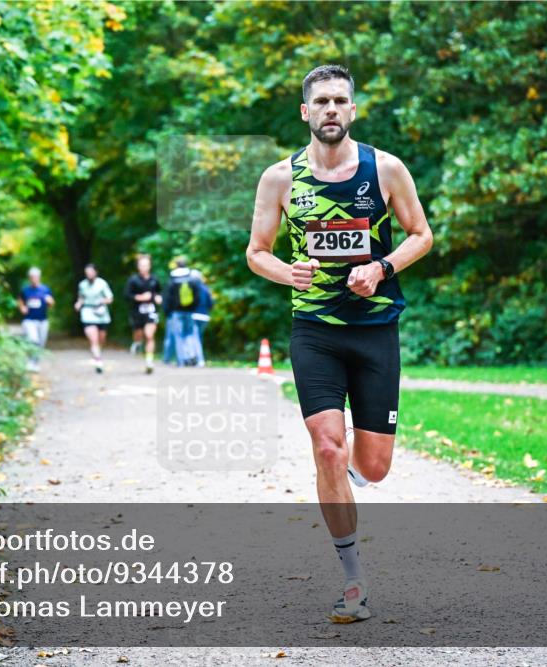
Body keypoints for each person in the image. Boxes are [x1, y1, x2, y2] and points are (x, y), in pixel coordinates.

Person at [245, 65, 433, 623]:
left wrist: (381, 266)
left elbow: (422, 235)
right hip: (315, 331)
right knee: (327, 445)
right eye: (320, 101)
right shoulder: (279, 178)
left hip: (375, 330)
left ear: (352, 111)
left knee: (373, 468)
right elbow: (257, 251)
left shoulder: (385, 169)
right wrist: (288, 273)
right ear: (305, 113)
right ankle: (353, 581)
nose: (330, 109)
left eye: (339, 101)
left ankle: (347, 476)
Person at [125, 254, 162, 374]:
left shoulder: (154, 279)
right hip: (137, 311)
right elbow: (127, 295)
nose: (144, 267)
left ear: (150, 266)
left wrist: (157, 298)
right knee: (139, 333)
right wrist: (139, 297)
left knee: (150, 335)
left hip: (151, 311)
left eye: (146, 265)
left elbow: (158, 292)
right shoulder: (133, 280)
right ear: (138, 266)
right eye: (142, 265)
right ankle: (137, 342)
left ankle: (149, 361)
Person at [74, 263, 114, 374]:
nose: (89, 274)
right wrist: (78, 304)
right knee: (94, 339)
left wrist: (102, 301)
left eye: (91, 272)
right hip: (87, 312)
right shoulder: (82, 285)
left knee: (101, 339)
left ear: (96, 272)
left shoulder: (102, 283)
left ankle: (97, 355)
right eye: (87, 273)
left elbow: (110, 298)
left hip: (101, 314)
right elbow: (81, 297)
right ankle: (98, 360)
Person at [162, 258, 202, 367]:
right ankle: (191, 355)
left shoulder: (172, 280)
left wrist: (167, 311)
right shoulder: (191, 279)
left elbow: (167, 298)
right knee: (189, 335)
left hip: (176, 312)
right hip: (189, 312)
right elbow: (197, 296)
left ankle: (181, 361)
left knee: (178, 336)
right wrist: (194, 308)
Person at [17, 267, 54, 373]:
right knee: (34, 339)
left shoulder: (45, 289)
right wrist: (22, 308)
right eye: (32, 277)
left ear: (39, 277)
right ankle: (29, 361)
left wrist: (50, 301)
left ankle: (35, 363)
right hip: (29, 320)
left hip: (42, 320)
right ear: (29, 278)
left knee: (41, 343)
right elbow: (20, 301)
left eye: (36, 277)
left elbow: (51, 304)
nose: (34, 279)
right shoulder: (25, 290)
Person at [191, 271, 213, 367]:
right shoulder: (206, 289)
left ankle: (200, 360)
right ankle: (195, 359)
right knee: (198, 338)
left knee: (194, 339)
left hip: (194, 316)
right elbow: (211, 304)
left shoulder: (191, 288)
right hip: (205, 317)